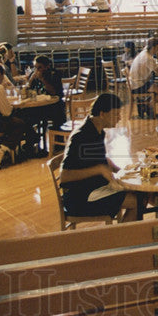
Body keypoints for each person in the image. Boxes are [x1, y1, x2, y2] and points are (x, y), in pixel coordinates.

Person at [59, 93, 140, 222]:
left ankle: (127, 237)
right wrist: (99, 170)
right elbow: (64, 177)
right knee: (137, 201)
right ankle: (122, 241)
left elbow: (100, 159)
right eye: (115, 114)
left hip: (94, 189)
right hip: (80, 198)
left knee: (139, 193)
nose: (119, 118)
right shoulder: (81, 136)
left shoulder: (97, 130)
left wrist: (123, 171)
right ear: (102, 114)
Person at [127, 36, 158, 116]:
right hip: (139, 85)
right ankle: (147, 106)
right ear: (155, 47)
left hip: (136, 83)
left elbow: (157, 68)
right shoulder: (147, 57)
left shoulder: (143, 53)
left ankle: (145, 105)